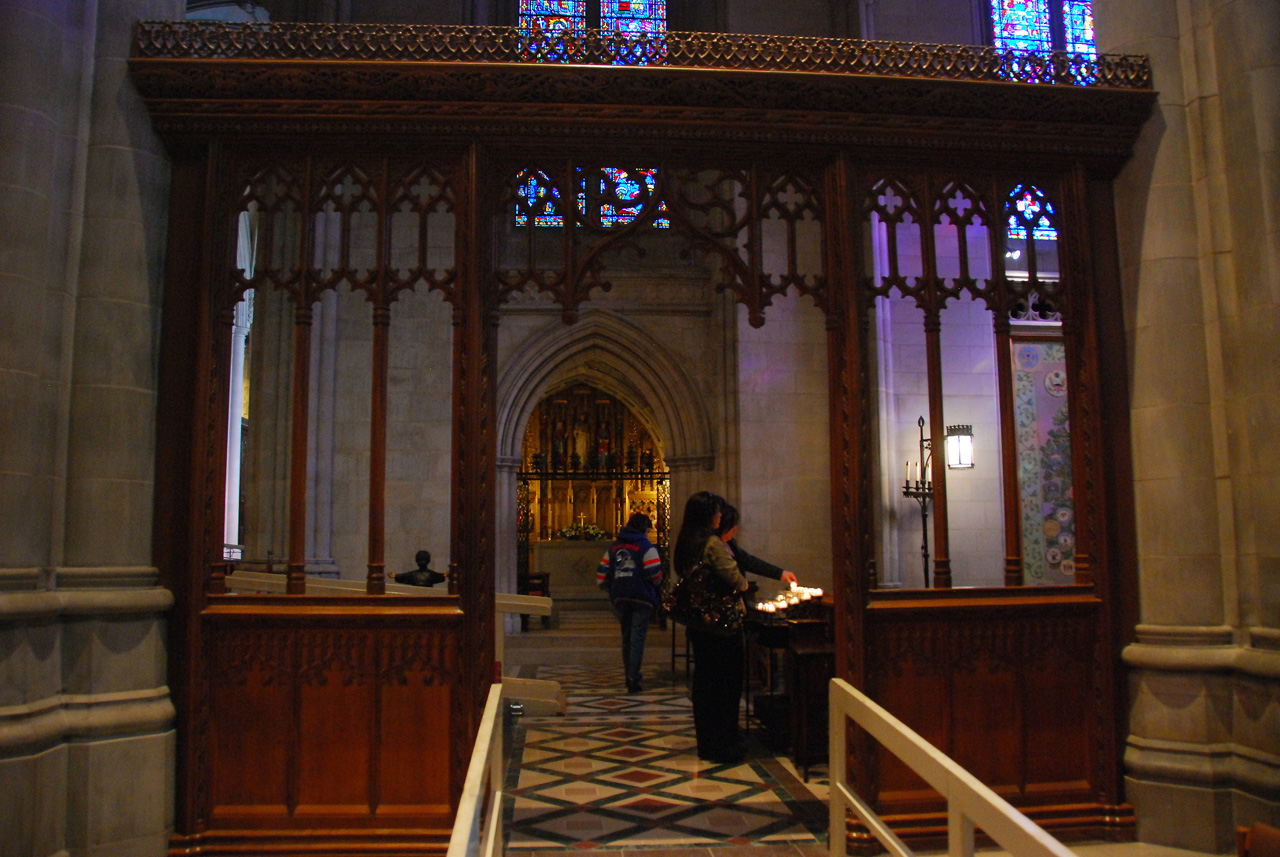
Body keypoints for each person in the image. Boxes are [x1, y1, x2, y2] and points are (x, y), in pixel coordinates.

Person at [672, 491, 751, 763]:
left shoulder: (685, 542)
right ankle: (724, 743)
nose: (721, 516)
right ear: (707, 515)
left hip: (699, 623)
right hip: (722, 625)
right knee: (727, 684)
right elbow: (737, 580)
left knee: (705, 683)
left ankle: (707, 742)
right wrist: (743, 584)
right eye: (717, 511)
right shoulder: (712, 543)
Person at [598, 513, 663, 693]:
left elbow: (602, 574)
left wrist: (613, 587)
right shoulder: (645, 546)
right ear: (643, 528)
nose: (649, 534)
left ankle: (629, 673)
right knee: (637, 639)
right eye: (648, 530)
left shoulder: (615, 546)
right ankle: (633, 678)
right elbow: (655, 573)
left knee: (626, 637)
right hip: (641, 597)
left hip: (620, 598)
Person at [711, 496, 798, 587]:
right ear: (722, 527)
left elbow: (749, 561)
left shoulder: (730, 543)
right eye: (732, 526)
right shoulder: (713, 547)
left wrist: (780, 573)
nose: (735, 530)